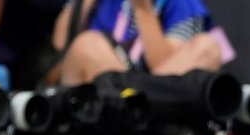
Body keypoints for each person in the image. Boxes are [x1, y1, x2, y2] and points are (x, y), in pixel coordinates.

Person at [52, 0, 223, 86]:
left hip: (150, 105)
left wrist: (143, 9)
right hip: (96, 98)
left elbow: (167, 74)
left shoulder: (183, 5)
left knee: (207, 47)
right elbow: (60, 42)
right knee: (87, 46)